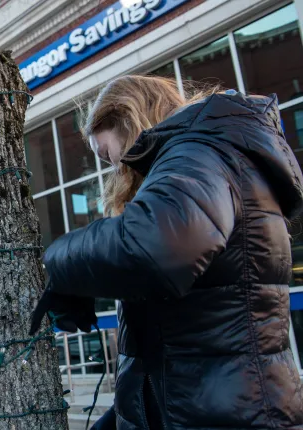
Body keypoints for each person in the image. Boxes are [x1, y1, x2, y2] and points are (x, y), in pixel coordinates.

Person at [30, 75, 303, 429]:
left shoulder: (199, 150)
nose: (114, 166)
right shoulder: (207, 155)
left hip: (228, 411)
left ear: (129, 119)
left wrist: (63, 266)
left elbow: (155, 247)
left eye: (106, 153)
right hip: (208, 404)